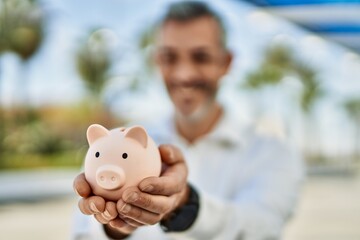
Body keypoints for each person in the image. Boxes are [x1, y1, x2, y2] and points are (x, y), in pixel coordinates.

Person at [72, 1, 304, 239]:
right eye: (170, 57)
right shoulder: (110, 149)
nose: (184, 75)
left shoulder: (272, 151)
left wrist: (185, 206)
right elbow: (83, 234)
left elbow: (262, 227)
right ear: (158, 61)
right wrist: (114, 225)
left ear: (226, 62)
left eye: (200, 57)